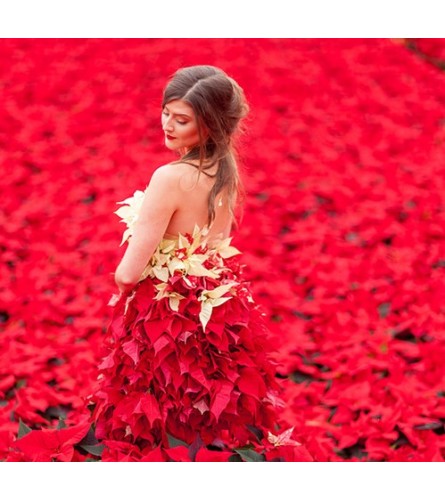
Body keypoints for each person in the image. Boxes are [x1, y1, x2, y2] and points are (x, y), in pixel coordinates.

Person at [86, 65, 307, 462]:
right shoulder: (226, 170)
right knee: (203, 413)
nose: (168, 125)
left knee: (158, 418)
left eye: (182, 119)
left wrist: (123, 286)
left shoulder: (169, 178)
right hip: (216, 307)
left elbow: (128, 272)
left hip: (166, 316)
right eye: (166, 112)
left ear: (210, 125)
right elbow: (216, 244)